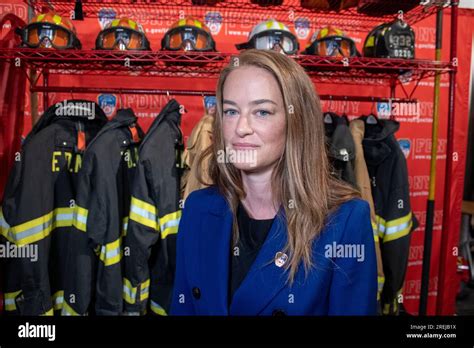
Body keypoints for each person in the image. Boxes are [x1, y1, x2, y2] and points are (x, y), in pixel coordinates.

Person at [170, 49, 377, 315]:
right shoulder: (198, 208)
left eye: (262, 112)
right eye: (231, 111)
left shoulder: (344, 221)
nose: (241, 127)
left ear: (296, 122)